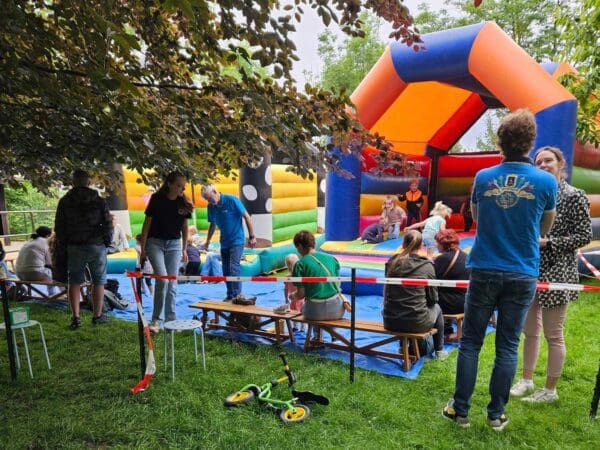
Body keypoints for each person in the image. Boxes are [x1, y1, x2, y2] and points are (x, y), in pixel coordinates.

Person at [443, 109, 558, 431]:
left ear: (501, 141)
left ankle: (460, 410)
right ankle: (496, 414)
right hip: (522, 271)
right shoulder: (546, 181)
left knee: (471, 343)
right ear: (530, 142)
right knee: (507, 345)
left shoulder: (483, 177)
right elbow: (544, 227)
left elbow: (478, 218)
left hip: (484, 268)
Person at [510, 146, 592, 403]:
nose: (543, 165)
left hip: (558, 271)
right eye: (539, 162)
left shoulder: (575, 195)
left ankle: (550, 390)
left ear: (560, 163)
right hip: (529, 269)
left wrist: (548, 242)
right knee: (530, 331)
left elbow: (583, 236)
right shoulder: (531, 195)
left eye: (548, 160)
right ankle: (526, 380)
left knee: (553, 334)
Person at [55, 169, 113, 329]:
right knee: (99, 281)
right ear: (88, 182)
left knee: (74, 282)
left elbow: (59, 226)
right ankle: (97, 316)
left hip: (74, 245)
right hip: (96, 245)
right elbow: (108, 223)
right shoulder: (98, 200)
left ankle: (75, 317)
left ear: (73, 182)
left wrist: (66, 242)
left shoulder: (65, 201)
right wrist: (106, 242)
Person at [139, 172, 192, 333]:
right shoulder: (157, 199)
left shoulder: (183, 203)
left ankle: (171, 321)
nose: (182, 188)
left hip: (174, 244)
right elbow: (147, 223)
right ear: (169, 184)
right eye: (178, 185)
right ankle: (155, 321)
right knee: (162, 280)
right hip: (155, 243)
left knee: (172, 283)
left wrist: (184, 248)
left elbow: (185, 227)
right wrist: (143, 248)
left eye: (183, 186)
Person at [382, 230, 447, 359]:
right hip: (417, 321)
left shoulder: (392, 262)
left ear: (403, 244)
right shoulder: (426, 265)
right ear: (420, 246)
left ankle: (402, 346)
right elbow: (433, 298)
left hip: (390, 320)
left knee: (400, 305)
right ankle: (439, 350)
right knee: (437, 308)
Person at [200, 184, 257, 302]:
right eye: (207, 200)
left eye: (210, 198)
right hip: (224, 241)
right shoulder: (211, 207)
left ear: (215, 192)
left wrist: (252, 236)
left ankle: (237, 295)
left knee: (234, 267)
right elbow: (212, 224)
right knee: (225, 269)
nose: (209, 201)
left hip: (237, 240)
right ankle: (230, 294)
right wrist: (207, 241)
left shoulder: (232, 200)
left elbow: (247, 217)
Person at [289, 230, 350, 320]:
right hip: (337, 310)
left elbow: (301, 294)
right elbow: (337, 285)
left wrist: (293, 296)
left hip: (314, 311)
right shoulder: (332, 259)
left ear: (300, 246)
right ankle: (326, 333)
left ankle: (316, 333)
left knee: (305, 309)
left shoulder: (300, 264)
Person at [433, 229, 470, 340]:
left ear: (442, 244)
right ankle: (447, 328)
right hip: (465, 301)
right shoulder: (466, 256)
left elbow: (432, 279)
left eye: (437, 243)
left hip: (448, 304)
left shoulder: (442, 259)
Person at [15, 226, 57, 297]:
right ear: (48, 235)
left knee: (48, 270)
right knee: (55, 274)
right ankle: (53, 295)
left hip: (19, 274)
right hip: (34, 274)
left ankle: (55, 295)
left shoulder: (28, 242)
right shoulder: (45, 242)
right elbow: (49, 262)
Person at [281, 253, 305, 330]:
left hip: (293, 298)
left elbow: (286, 289)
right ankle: (302, 326)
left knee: (294, 312)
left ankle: (296, 325)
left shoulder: (287, 277)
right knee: (302, 312)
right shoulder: (301, 275)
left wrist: (286, 298)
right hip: (301, 297)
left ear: (287, 265)